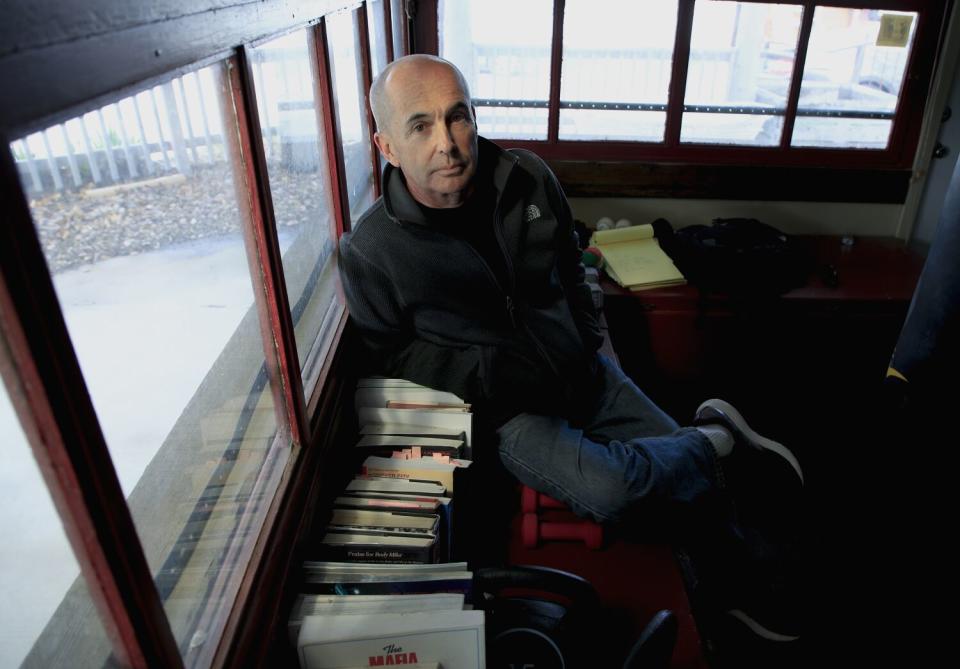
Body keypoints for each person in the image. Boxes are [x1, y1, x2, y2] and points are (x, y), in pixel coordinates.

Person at [338, 54, 804, 649]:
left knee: (688, 483)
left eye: (458, 118)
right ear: (387, 145)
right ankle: (720, 441)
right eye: (420, 126)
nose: (448, 144)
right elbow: (394, 362)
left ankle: (737, 583)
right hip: (508, 414)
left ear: (475, 117)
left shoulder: (527, 177)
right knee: (618, 491)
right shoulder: (373, 251)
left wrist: (583, 337)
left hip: (581, 371)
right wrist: (493, 376)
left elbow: (572, 263)